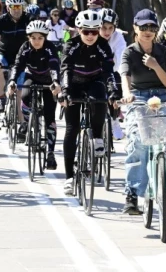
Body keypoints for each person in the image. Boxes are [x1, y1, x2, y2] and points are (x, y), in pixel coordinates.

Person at [119, 9, 166, 214]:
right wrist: (127, 94)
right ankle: (131, 194)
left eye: (152, 27)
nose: (147, 31)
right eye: (143, 27)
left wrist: (155, 66)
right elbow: (124, 75)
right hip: (138, 96)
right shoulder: (129, 51)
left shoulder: (163, 51)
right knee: (137, 142)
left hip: (163, 95)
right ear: (135, 29)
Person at [58, 10, 119, 195]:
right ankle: (69, 177)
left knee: (100, 100)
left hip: (95, 81)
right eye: (86, 32)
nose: (91, 36)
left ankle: (98, 137)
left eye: (95, 31)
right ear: (79, 30)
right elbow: (65, 69)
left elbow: (108, 72)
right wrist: (66, 92)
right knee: (72, 128)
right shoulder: (71, 45)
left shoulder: (103, 46)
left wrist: (113, 92)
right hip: (74, 84)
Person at [7, 20, 61, 170]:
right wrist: (12, 81)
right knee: (24, 97)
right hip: (32, 77)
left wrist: (56, 82)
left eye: (40, 38)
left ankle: (50, 153)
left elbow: (55, 65)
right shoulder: (25, 48)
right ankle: (26, 122)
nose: (37, 41)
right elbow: (17, 66)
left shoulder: (50, 48)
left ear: (45, 38)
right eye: (33, 38)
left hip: (49, 80)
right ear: (28, 38)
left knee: (50, 116)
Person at [0, 0, 30, 117]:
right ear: (8, 7)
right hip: (4, 53)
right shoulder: (1, 20)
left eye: (19, 7)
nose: (17, 10)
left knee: (19, 88)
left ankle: (21, 121)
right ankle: (1, 98)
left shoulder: (28, 19)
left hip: (21, 55)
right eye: (14, 7)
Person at [99, 8, 126, 140]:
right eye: (104, 28)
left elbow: (121, 58)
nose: (107, 32)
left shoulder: (118, 37)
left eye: (111, 28)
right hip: (93, 71)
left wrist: (123, 76)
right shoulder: (92, 34)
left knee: (116, 93)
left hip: (112, 70)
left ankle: (114, 120)